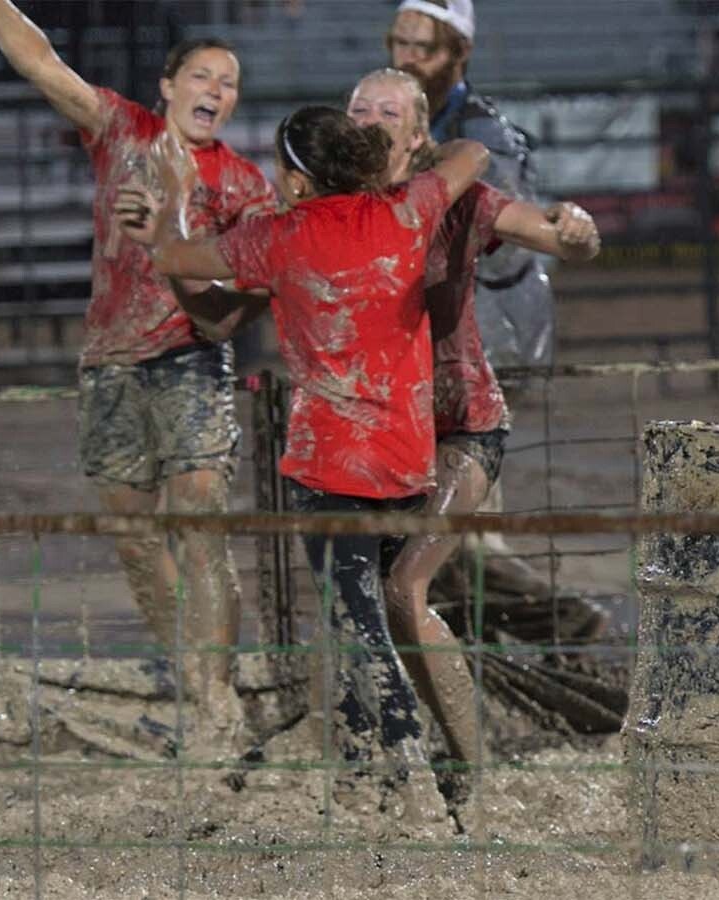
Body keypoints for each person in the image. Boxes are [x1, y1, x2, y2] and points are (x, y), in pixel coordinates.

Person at [116, 105, 489, 820]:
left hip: (330, 467)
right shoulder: (408, 210)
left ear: (293, 181)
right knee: (373, 609)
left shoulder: (277, 236)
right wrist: (398, 172)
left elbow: (177, 261)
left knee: (358, 622)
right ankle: (368, 771)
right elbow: (472, 154)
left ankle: (410, 772)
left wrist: (162, 220)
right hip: (408, 460)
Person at [0, 0, 278, 746]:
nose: (217, 90)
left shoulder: (244, 187)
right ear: (167, 85)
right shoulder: (122, 131)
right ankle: (198, 681)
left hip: (192, 360)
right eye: (203, 75)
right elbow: (39, 61)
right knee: (135, 536)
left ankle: (217, 703)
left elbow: (252, 294)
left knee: (200, 527)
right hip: (110, 360)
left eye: (230, 82)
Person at [344, 68, 600, 770]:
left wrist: (574, 231)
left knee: (410, 584)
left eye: (385, 109)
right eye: (357, 106)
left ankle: (466, 753)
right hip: (373, 430)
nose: (367, 117)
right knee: (397, 586)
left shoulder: (459, 201)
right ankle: (400, 734)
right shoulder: (330, 206)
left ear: (417, 131)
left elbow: (549, 235)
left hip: (461, 424)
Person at [385, 0, 552, 373]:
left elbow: (506, 245)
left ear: (460, 51)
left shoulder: (486, 135)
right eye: (400, 44)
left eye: (423, 48)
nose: (406, 58)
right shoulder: (402, 116)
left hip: (494, 312)